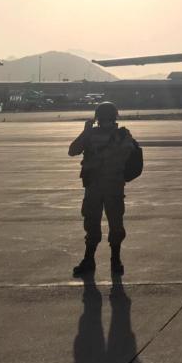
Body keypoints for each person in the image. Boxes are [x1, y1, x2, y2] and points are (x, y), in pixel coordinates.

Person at [69, 102, 137, 277]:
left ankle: (91, 260)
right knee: (114, 223)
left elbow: (73, 150)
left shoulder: (97, 135)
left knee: (94, 224)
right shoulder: (123, 135)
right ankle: (114, 261)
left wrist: (86, 132)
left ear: (97, 117)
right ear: (115, 116)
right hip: (111, 186)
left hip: (98, 187)